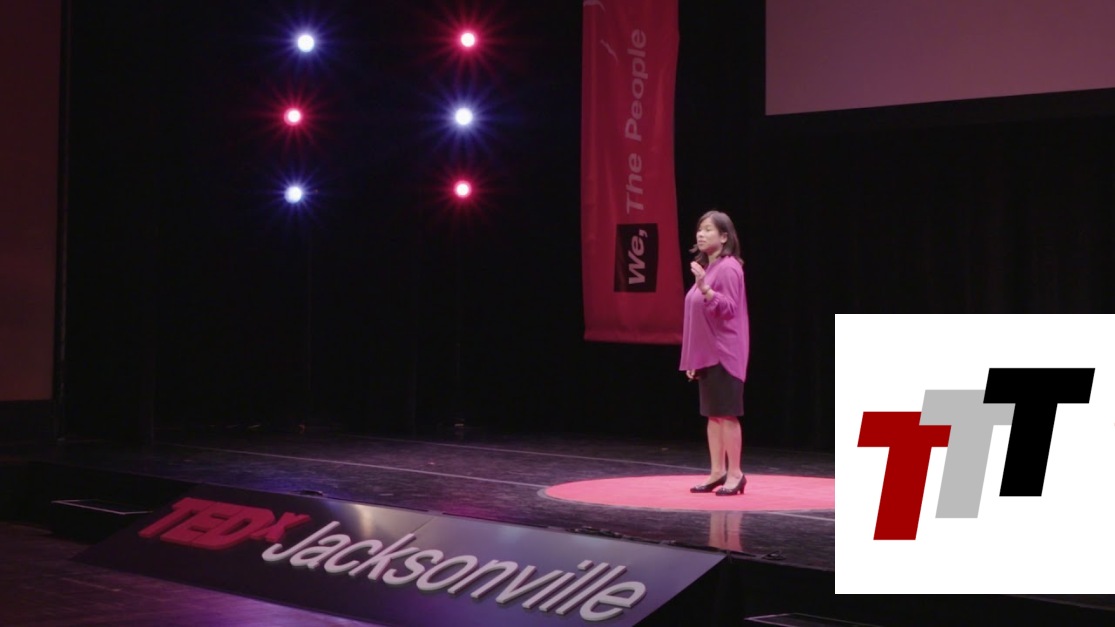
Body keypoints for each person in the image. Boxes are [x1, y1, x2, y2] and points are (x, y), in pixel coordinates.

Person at [679, 210, 750, 496]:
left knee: (727, 415)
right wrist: (693, 357)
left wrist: (706, 289)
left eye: (708, 229)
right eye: (700, 228)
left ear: (724, 237)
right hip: (707, 353)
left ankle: (735, 473)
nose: (701, 233)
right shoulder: (707, 267)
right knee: (713, 415)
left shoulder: (729, 267)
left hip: (725, 352)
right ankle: (717, 471)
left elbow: (729, 308)